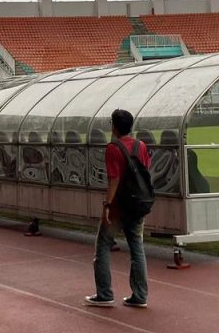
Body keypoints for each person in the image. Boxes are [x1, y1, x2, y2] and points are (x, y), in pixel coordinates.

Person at [85, 109, 151, 309]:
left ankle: (104, 293)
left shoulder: (113, 148)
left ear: (114, 126)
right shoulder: (141, 145)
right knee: (137, 248)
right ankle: (140, 295)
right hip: (137, 205)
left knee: (103, 246)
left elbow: (113, 179)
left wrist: (108, 205)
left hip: (119, 207)